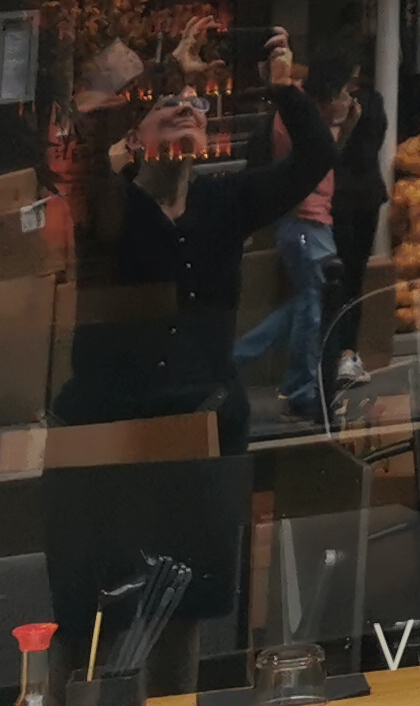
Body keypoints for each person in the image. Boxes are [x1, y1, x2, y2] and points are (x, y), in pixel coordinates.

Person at [57, 65, 335, 455]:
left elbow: (317, 155)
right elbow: (86, 126)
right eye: (168, 104)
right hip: (115, 426)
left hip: (211, 424)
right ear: (134, 138)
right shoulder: (109, 205)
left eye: (196, 104)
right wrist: (153, 72)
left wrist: (284, 88)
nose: (186, 109)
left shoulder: (224, 201)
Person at [230, 62, 346, 429]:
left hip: (304, 221)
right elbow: (319, 156)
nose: (347, 100)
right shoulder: (299, 118)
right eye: (343, 93)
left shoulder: (299, 114)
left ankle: (235, 359)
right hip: (306, 220)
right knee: (311, 309)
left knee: (305, 304)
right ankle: (300, 393)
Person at [316, 59, 390, 398]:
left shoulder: (342, 105)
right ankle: (346, 353)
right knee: (351, 279)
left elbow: (340, 151)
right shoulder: (370, 102)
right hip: (361, 198)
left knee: (335, 281)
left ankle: (338, 353)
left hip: (340, 199)